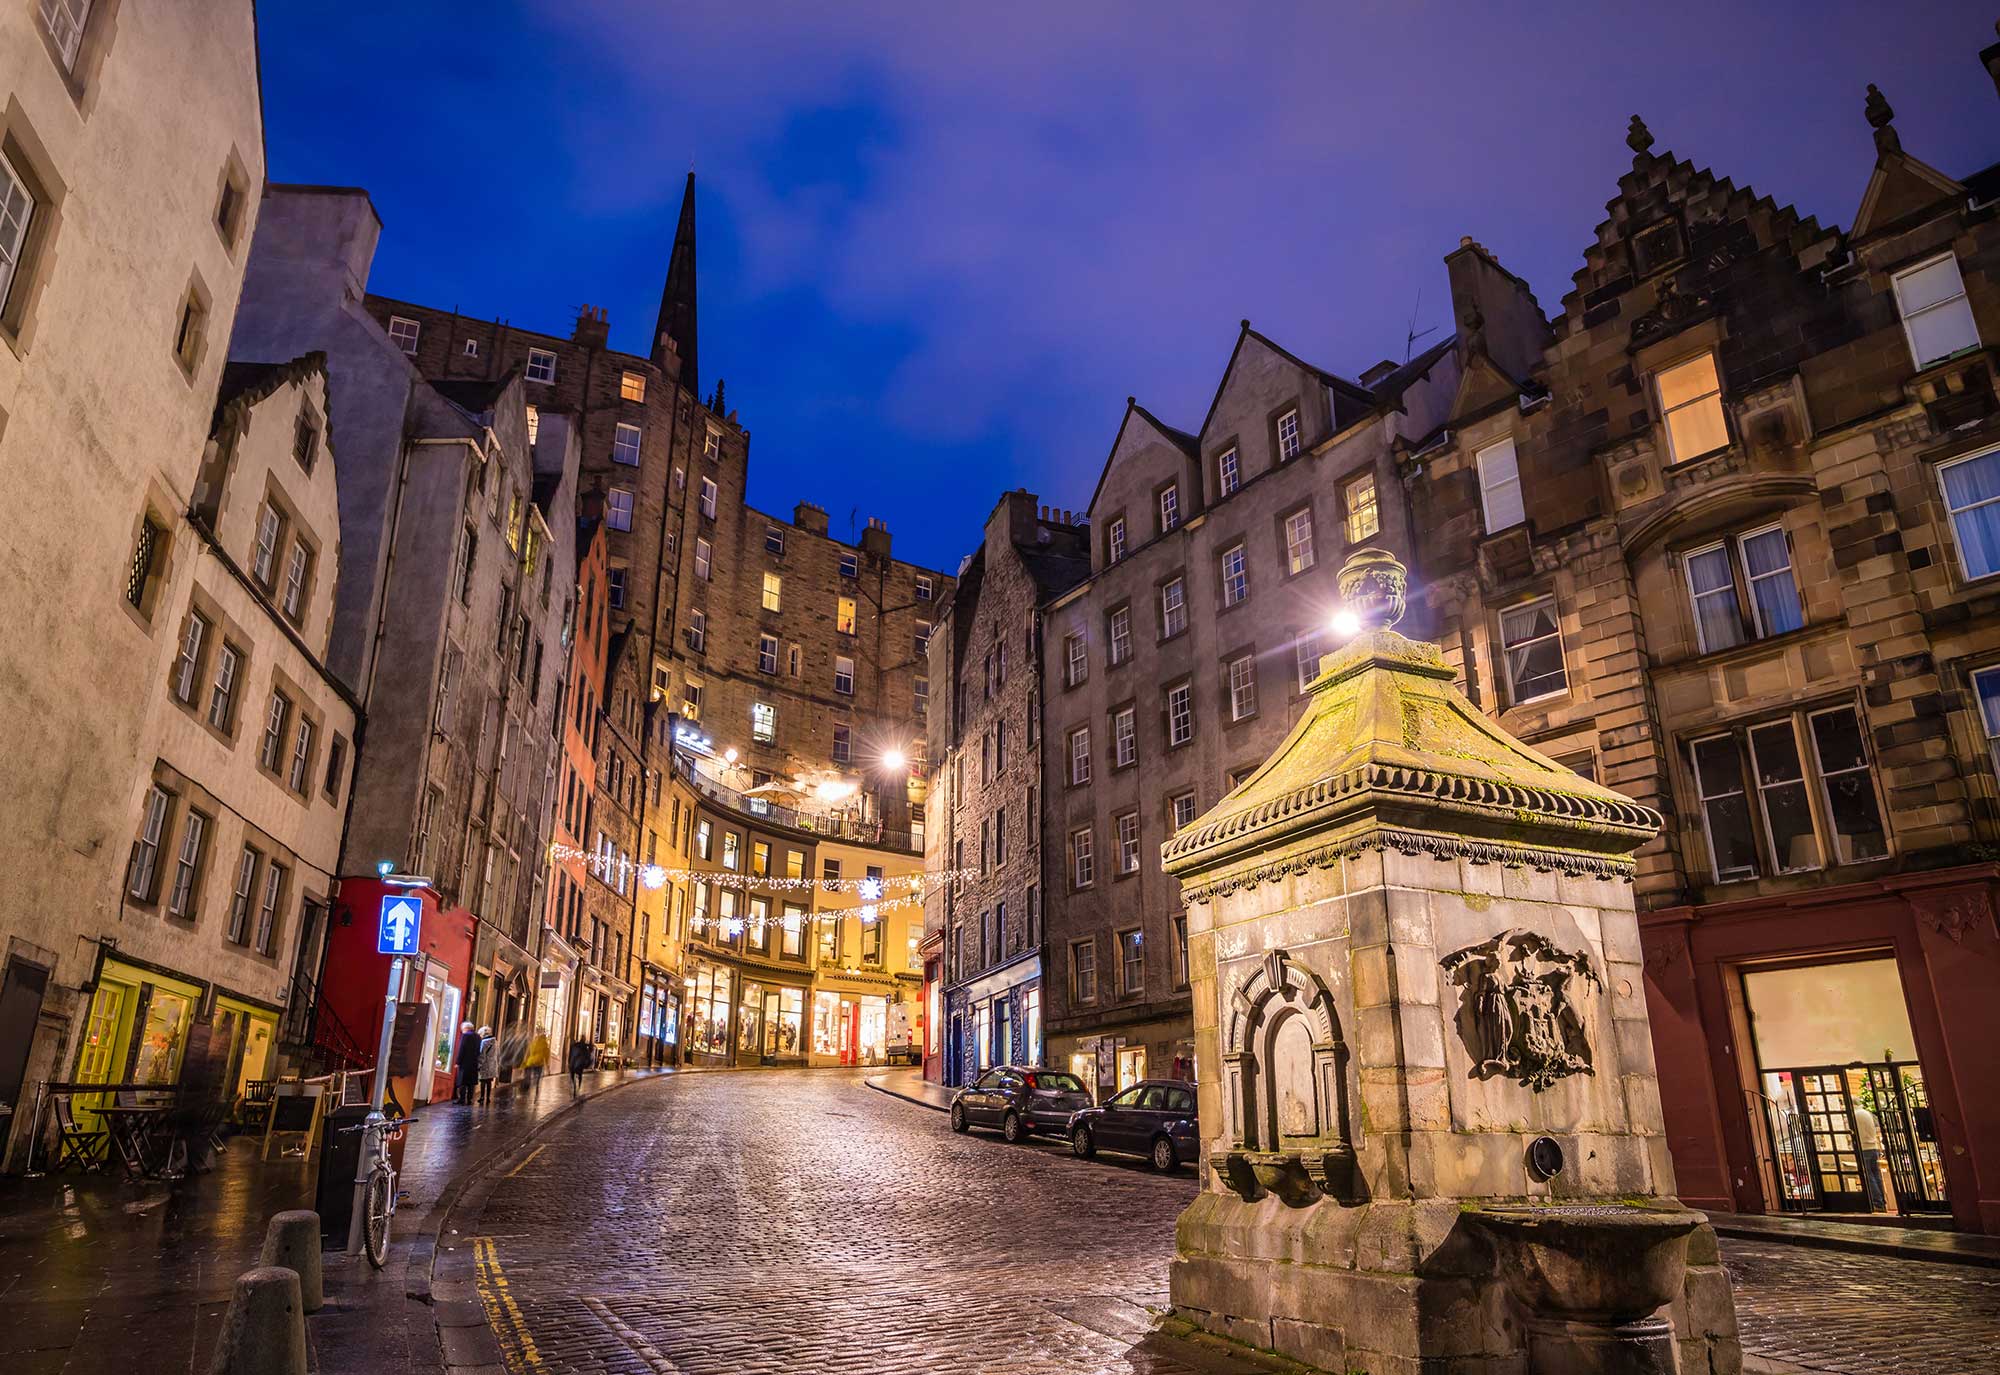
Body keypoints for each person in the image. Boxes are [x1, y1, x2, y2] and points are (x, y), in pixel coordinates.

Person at [453, 1020, 482, 1105]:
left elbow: (462, 1049)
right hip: (474, 1062)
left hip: (465, 1062)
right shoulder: (478, 1037)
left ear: (466, 1028)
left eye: (462, 1029)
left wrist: (458, 1061)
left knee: (462, 1082)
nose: (462, 1030)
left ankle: (462, 1099)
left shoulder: (465, 1036)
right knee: (471, 1082)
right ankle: (469, 1099)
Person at [522, 1028, 550, 1096]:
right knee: (537, 1077)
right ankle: (537, 1087)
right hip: (539, 1063)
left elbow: (528, 1052)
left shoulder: (534, 1042)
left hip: (530, 1062)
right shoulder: (545, 1045)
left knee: (528, 1075)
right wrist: (547, 1066)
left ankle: (527, 1085)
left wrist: (525, 1062)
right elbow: (546, 1056)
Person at [476, 1025, 498, 1106]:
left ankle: (482, 1097)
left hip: (485, 1065)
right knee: (489, 1082)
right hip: (492, 1065)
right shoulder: (495, 1041)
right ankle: (488, 1097)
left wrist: (479, 1065)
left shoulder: (484, 1042)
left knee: (483, 1081)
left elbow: (482, 1055)